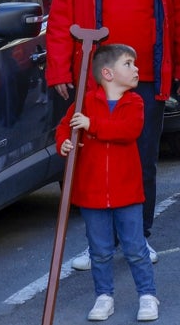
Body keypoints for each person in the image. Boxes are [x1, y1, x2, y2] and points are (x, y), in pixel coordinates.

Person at [47, 0, 180, 269]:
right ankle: (99, 240)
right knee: (92, 162)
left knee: (141, 161)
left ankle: (138, 237)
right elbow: (61, 15)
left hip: (144, 79)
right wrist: (59, 69)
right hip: (94, 78)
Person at [57, 45, 159, 323]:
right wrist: (63, 143)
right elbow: (65, 125)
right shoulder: (84, 101)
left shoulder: (134, 103)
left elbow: (128, 131)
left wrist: (92, 125)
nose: (136, 69)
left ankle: (147, 295)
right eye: (128, 64)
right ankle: (104, 296)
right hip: (91, 193)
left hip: (127, 192)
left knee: (136, 248)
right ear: (107, 73)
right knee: (99, 251)